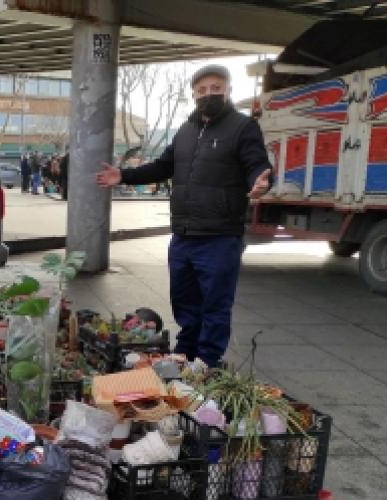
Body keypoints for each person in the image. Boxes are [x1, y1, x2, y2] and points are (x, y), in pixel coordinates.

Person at [94, 64, 272, 368]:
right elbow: (162, 167)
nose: (209, 94)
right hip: (184, 234)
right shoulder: (186, 131)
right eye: (202, 90)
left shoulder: (243, 127)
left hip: (220, 236)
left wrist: (261, 181)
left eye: (216, 88)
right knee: (185, 300)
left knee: (215, 304)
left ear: (228, 90)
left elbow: (257, 163)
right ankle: (185, 351)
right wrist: (122, 175)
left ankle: (206, 360)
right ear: (193, 95)